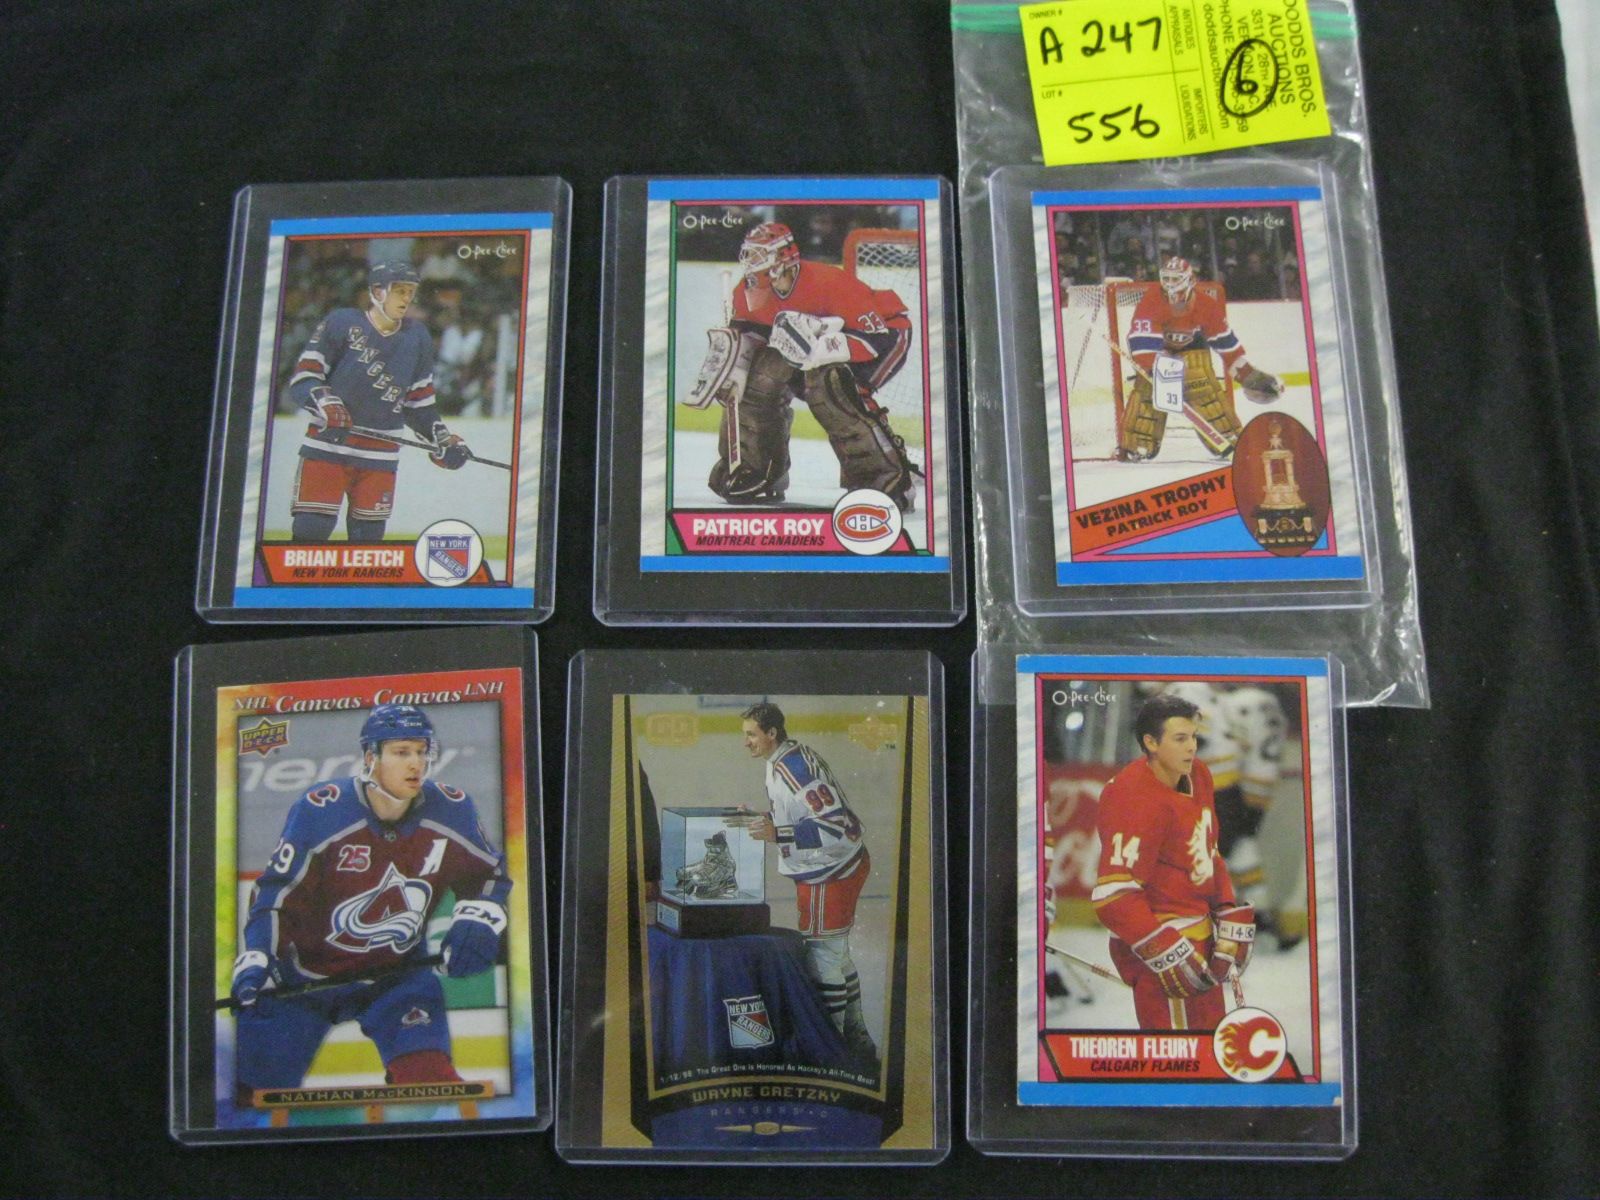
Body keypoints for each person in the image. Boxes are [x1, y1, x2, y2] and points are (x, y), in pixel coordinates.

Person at [229, 704, 510, 1107]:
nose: (415, 764)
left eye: (421, 751)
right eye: (401, 752)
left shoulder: (452, 809)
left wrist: (480, 919)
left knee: (432, 1085)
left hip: (396, 977)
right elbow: (275, 894)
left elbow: (489, 876)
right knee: (246, 1100)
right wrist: (258, 954)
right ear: (369, 757)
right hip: (302, 980)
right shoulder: (321, 811)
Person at [688, 222, 921, 511]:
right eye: (749, 254)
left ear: (784, 257)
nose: (750, 262)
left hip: (883, 335)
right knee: (756, 380)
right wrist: (733, 365)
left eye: (759, 255)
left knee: (834, 387)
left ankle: (886, 480)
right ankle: (759, 471)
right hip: (810, 350)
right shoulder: (747, 291)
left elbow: (876, 337)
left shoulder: (829, 282)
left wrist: (822, 351)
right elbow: (751, 336)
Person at [1089, 694, 1254, 1031]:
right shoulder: (1131, 796)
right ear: (1151, 742)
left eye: (1194, 736)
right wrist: (1164, 950)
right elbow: (1114, 896)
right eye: (1180, 739)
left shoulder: (1200, 775)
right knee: (1176, 1056)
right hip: (1161, 950)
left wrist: (1225, 909)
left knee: (1209, 1051)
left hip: (1201, 942)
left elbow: (1208, 852)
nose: (1192, 747)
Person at [286, 261, 472, 542]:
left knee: (369, 544)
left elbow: (418, 403)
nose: (407, 298)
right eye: (399, 290)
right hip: (328, 445)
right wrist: (326, 403)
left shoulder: (417, 336)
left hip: (380, 455)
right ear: (377, 291)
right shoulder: (342, 322)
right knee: (310, 533)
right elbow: (305, 377)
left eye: (410, 291)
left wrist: (442, 439)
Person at [738, 702, 878, 1067]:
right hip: (843, 864)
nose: (746, 742)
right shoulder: (788, 756)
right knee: (837, 955)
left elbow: (833, 825)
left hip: (828, 872)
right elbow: (802, 813)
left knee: (822, 959)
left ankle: (828, 1051)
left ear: (772, 733)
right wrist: (765, 820)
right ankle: (856, 1035)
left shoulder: (792, 768)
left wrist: (778, 833)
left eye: (751, 734)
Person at [1159, 683, 1298, 949]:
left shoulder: (1184, 690)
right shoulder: (1258, 701)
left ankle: (1222, 924)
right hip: (1247, 787)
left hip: (1215, 785)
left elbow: (1197, 737)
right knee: (1239, 847)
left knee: (1215, 855)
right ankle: (1258, 918)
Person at [1118, 256, 1283, 462]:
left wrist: (1247, 375)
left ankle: (1228, 436)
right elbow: (1142, 338)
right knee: (1148, 390)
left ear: (1190, 280)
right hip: (1160, 350)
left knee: (1201, 385)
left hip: (1193, 349)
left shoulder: (1206, 304)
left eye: (1175, 278)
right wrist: (1152, 368)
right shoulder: (1152, 299)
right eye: (1166, 278)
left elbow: (1225, 344)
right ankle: (1138, 443)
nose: (1169, 284)